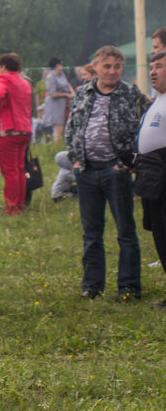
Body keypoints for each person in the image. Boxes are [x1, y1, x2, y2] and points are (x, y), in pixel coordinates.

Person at [65, 45, 146, 299]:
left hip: (117, 171)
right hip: (87, 171)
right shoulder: (83, 94)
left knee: (126, 232)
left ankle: (129, 287)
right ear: (96, 67)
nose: (112, 72)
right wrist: (75, 159)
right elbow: (72, 128)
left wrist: (129, 161)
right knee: (91, 233)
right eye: (107, 66)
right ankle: (92, 286)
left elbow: (146, 128)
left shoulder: (132, 94)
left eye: (117, 67)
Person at [135, 51, 166, 304]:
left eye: (160, 67)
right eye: (152, 67)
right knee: (159, 232)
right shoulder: (156, 101)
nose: (153, 71)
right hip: (152, 175)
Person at [0, 53, 34, 215]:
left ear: (2, 66)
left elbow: (0, 94)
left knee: (9, 171)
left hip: (8, 130)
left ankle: (11, 207)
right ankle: (20, 205)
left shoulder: (3, 79)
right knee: (19, 169)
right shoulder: (24, 82)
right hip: (24, 129)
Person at [44, 58, 74, 143]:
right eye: (61, 64)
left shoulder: (61, 74)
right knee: (58, 128)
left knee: (64, 128)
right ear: (57, 65)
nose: (62, 66)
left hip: (64, 104)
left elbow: (67, 85)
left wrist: (72, 93)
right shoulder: (50, 77)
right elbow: (52, 94)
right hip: (55, 105)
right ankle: (56, 147)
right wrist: (66, 95)